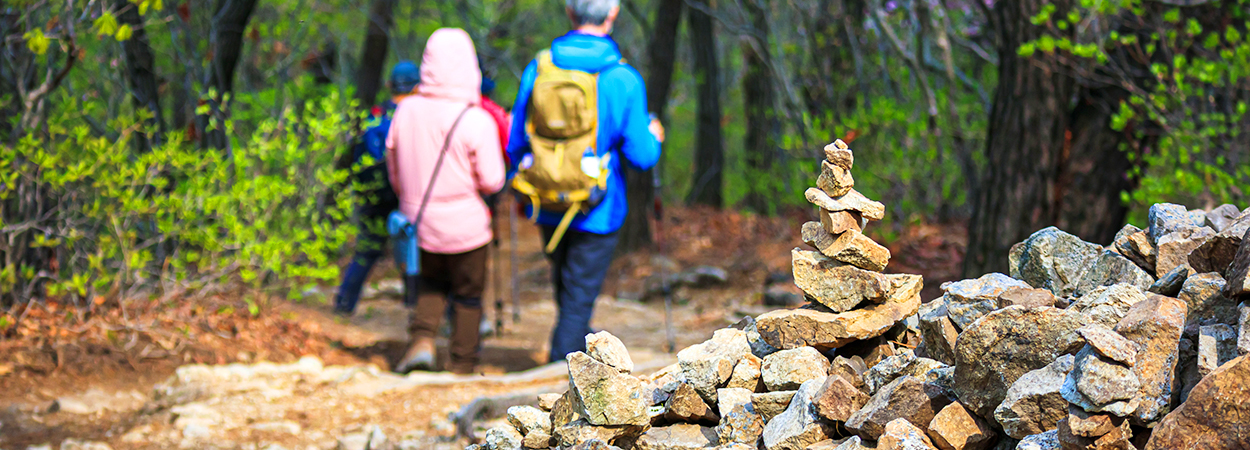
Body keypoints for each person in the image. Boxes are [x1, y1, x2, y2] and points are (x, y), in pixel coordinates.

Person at [506, 0, 664, 363]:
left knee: (568, 288)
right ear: (613, 14)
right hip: (598, 205)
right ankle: (559, 370)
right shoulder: (623, 77)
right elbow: (642, 156)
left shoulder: (539, 67)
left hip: (545, 197)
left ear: (569, 12)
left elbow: (516, 140)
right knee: (577, 296)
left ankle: (575, 351)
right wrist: (653, 135)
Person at [389, 28, 507, 374]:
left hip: (419, 220)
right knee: (468, 296)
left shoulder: (406, 109)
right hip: (466, 227)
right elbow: (493, 180)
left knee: (430, 283)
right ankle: (462, 365)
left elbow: (394, 168)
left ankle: (422, 342)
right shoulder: (477, 119)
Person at [332, 61, 420, 316]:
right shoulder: (414, 119)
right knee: (412, 251)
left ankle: (344, 304)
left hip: (372, 198)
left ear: (389, 85)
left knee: (367, 250)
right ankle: (416, 308)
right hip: (404, 197)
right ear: (417, 87)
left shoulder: (374, 117)